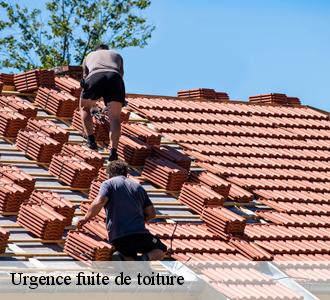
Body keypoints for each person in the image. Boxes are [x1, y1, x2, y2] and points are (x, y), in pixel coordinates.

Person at [77, 160, 167, 261]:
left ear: (110, 174)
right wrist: (141, 219)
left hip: (117, 237)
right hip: (139, 234)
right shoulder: (138, 187)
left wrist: (85, 218)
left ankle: (124, 258)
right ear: (126, 173)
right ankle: (142, 260)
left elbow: (99, 202)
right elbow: (151, 213)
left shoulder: (108, 184)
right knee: (161, 249)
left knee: (128, 254)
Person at [80, 44, 125, 161]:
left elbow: (85, 79)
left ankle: (91, 141)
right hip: (115, 79)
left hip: (95, 76)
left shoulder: (89, 56)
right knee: (115, 117)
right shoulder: (117, 55)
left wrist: (92, 105)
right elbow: (121, 75)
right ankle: (114, 152)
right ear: (107, 50)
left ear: (96, 50)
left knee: (84, 108)